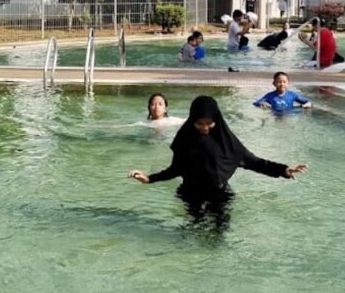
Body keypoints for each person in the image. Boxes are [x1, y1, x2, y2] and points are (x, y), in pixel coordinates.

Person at [127, 96, 308, 230]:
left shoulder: (227, 142)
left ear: (216, 120)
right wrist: (150, 179)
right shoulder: (185, 139)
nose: (205, 128)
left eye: (209, 123)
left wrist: (284, 170)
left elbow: (255, 163)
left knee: (220, 232)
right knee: (194, 230)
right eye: (199, 124)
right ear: (192, 120)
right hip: (191, 193)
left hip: (220, 193)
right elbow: (175, 169)